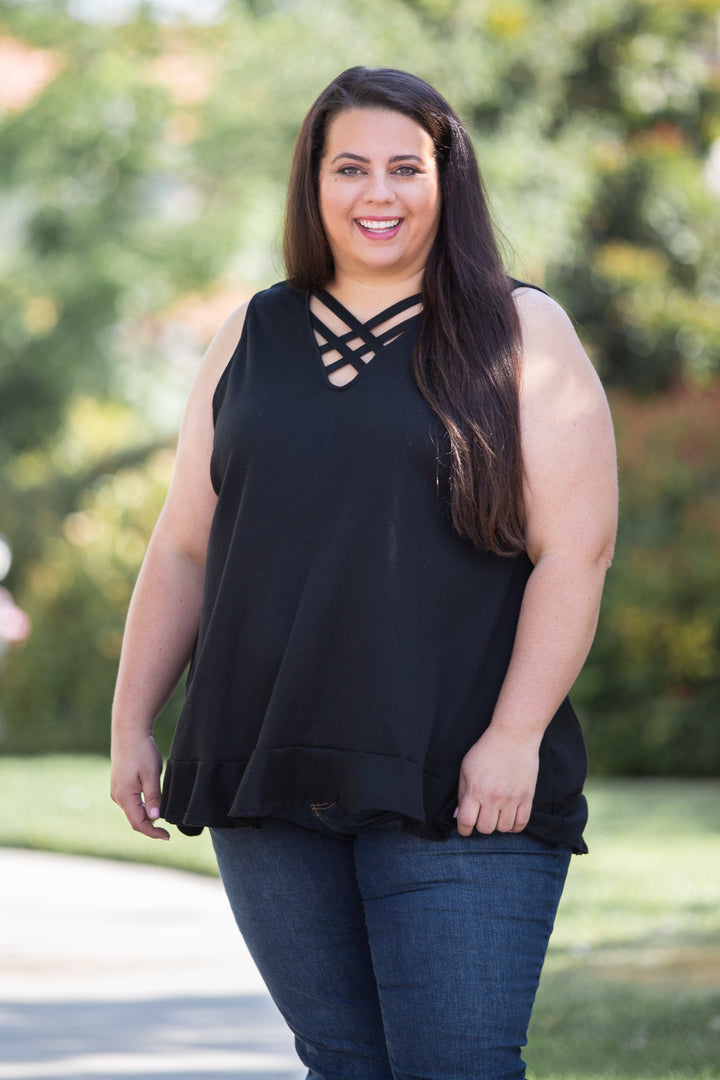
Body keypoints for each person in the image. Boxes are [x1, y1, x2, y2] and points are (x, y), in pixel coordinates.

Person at [111, 66, 617, 1080]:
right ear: (313, 182)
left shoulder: (523, 330)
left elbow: (578, 549)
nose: (376, 194)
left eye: (404, 168)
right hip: (266, 769)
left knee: (456, 1065)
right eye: (350, 167)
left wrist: (515, 737)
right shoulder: (251, 333)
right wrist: (132, 722)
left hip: (459, 775)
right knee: (344, 1064)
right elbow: (180, 545)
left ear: (447, 182)